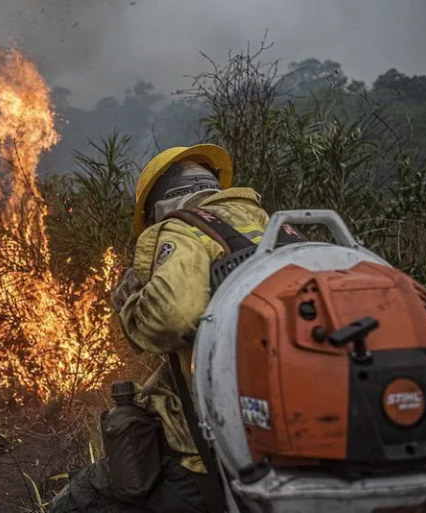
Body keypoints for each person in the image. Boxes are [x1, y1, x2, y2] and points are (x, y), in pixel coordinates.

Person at [49, 144, 272, 513]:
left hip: (208, 455)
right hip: (279, 439)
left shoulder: (183, 227)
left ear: (157, 207)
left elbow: (173, 315)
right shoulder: (275, 227)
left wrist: (131, 305)